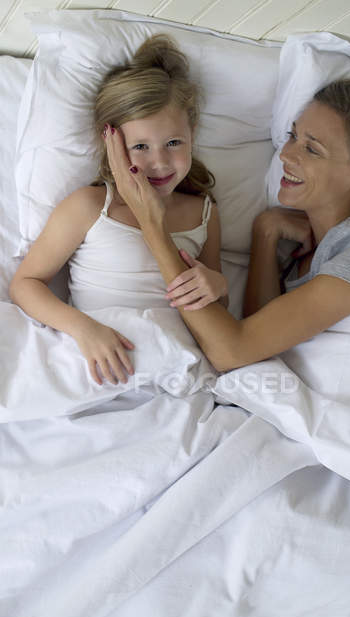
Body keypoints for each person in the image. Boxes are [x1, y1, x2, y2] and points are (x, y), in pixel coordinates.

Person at [105, 77, 350, 372]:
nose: (286, 155)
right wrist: (265, 232)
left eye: (311, 149)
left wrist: (152, 225)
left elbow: (232, 352)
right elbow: (260, 337)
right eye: (293, 135)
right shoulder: (308, 249)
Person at [9, 35, 228, 386]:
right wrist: (83, 328)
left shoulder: (204, 211)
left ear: (193, 133)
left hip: (177, 365)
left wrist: (217, 285)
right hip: (103, 362)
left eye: (173, 143)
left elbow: (219, 306)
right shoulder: (91, 206)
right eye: (140, 146)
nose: (159, 162)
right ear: (111, 144)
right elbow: (25, 284)